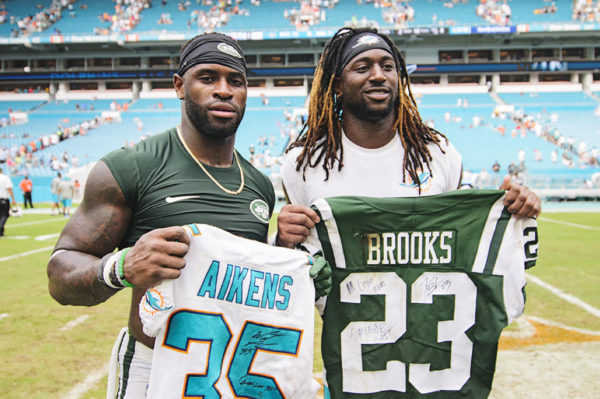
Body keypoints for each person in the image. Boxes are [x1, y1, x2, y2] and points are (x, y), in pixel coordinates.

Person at [47, 32, 327, 399]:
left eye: (236, 81)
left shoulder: (258, 184)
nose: (224, 90)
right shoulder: (132, 166)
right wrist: (121, 266)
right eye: (208, 78)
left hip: (234, 369)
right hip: (155, 363)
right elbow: (59, 274)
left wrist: (279, 246)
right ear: (179, 86)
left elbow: (234, 278)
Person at [275, 27, 541, 398]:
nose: (379, 74)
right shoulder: (304, 164)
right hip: (358, 363)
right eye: (362, 66)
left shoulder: (438, 153)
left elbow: (464, 235)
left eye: (388, 65)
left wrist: (515, 207)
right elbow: (299, 268)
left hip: (438, 360)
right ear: (337, 85)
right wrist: (282, 240)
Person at [0, 167, 16, 237]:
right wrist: (13, 199)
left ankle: (1, 231)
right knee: (4, 215)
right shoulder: (5, 178)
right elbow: (9, 188)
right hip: (3, 199)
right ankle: (0, 229)